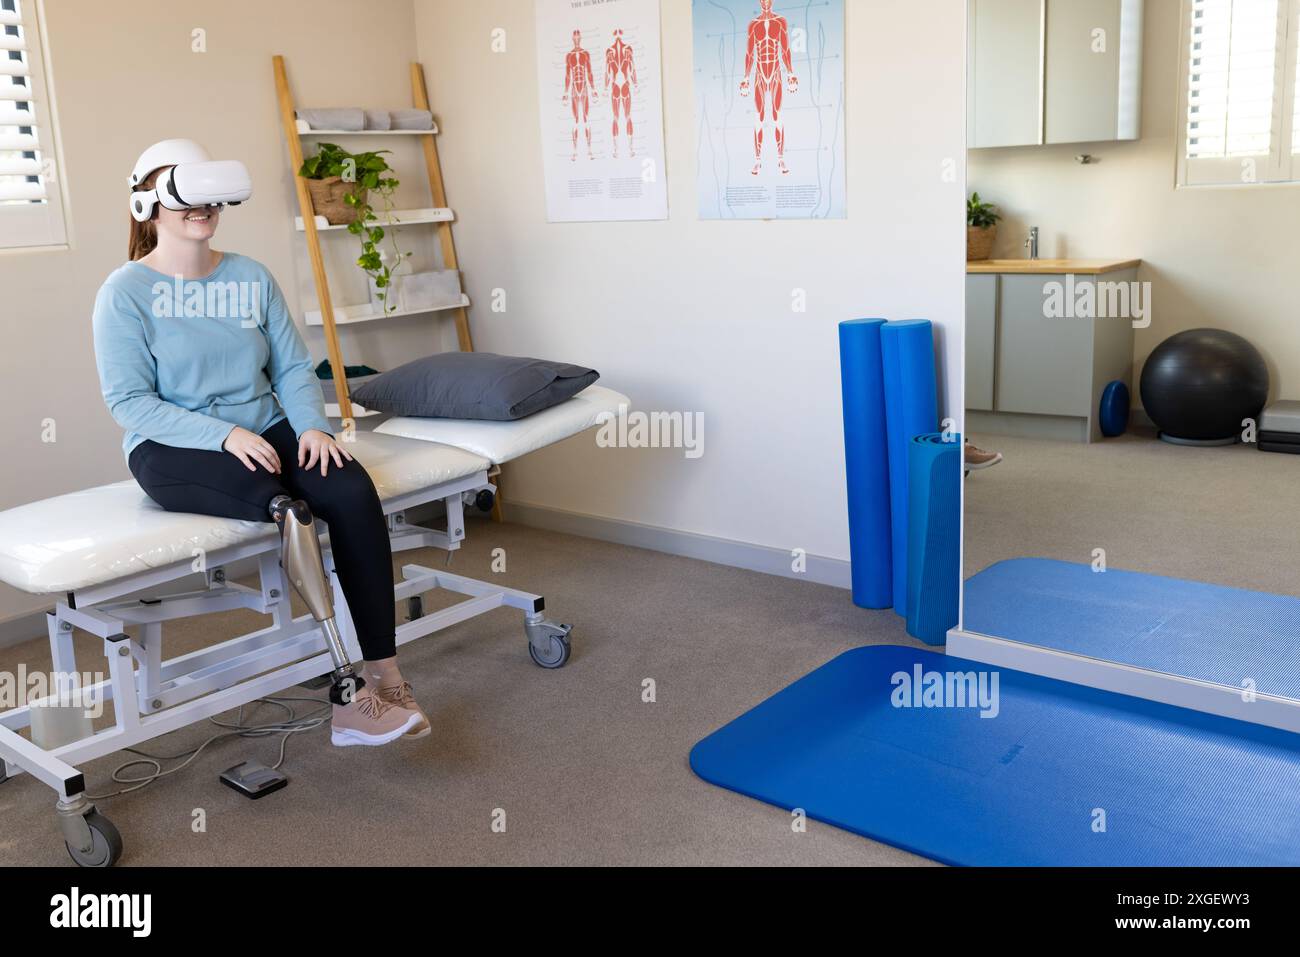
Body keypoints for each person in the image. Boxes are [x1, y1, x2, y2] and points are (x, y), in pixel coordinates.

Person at [91, 139, 429, 747]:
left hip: (267, 426)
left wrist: (312, 428)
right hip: (173, 446)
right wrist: (225, 434)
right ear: (149, 203)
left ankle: (386, 671)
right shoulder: (125, 292)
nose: (204, 207)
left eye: (209, 194)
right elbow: (130, 403)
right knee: (289, 510)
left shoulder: (249, 275)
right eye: (186, 193)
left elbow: (295, 369)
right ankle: (349, 697)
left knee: (351, 493)